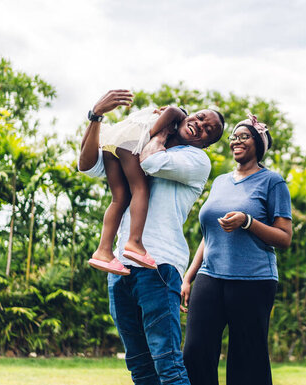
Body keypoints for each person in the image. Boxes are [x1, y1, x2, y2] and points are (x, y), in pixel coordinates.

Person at [79, 89, 224, 385]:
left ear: (206, 144)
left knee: (167, 363)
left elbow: (150, 162)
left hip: (159, 266)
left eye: (209, 130)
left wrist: (165, 125)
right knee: (139, 366)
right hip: (119, 267)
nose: (201, 125)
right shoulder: (141, 139)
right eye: (200, 117)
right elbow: (87, 164)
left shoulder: (195, 160)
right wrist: (96, 116)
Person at [180, 114, 293, 385]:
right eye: (234, 137)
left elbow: (284, 237)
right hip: (211, 276)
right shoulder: (220, 182)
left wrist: (248, 221)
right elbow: (210, 235)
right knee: (195, 352)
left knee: (247, 361)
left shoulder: (272, 182)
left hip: (253, 280)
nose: (236, 141)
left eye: (244, 136)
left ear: (259, 144)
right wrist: (188, 276)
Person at [89, 105, 192, 274]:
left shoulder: (148, 114)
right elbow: (173, 111)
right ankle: (135, 242)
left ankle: (103, 251)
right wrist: (153, 135)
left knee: (119, 199)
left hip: (111, 142)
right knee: (140, 189)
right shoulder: (175, 117)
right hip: (130, 142)